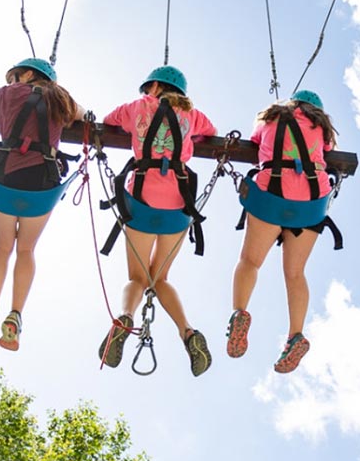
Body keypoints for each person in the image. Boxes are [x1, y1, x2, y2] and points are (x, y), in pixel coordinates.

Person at [98, 65, 216, 376]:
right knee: (160, 279)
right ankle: (187, 331)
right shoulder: (193, 115)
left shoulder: (135, 107)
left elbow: (109, 121)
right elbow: (211, 133)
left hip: (142, 201)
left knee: (138, 278)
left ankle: (125, 316)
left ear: (152, 87)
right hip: (178, 205)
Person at [0, 57, 84, 351]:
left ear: (26, 75)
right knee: (26, 249)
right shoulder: (61, 98)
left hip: (4, 179)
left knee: (2, 247)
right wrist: (56, 94)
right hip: (42, 182)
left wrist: (13, 94)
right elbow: (83, 115)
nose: (12, 81)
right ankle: (16, 315)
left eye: (15, 76)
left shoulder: (3, 94)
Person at [226, 89, 338, 374]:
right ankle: (295, 334)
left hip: (272, 195)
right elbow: (327, 153)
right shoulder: (321, 128)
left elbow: (255, 143)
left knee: (250, 261)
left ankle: (239, 312)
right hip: (311, 204)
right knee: (295, 273)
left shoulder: (269, 118)